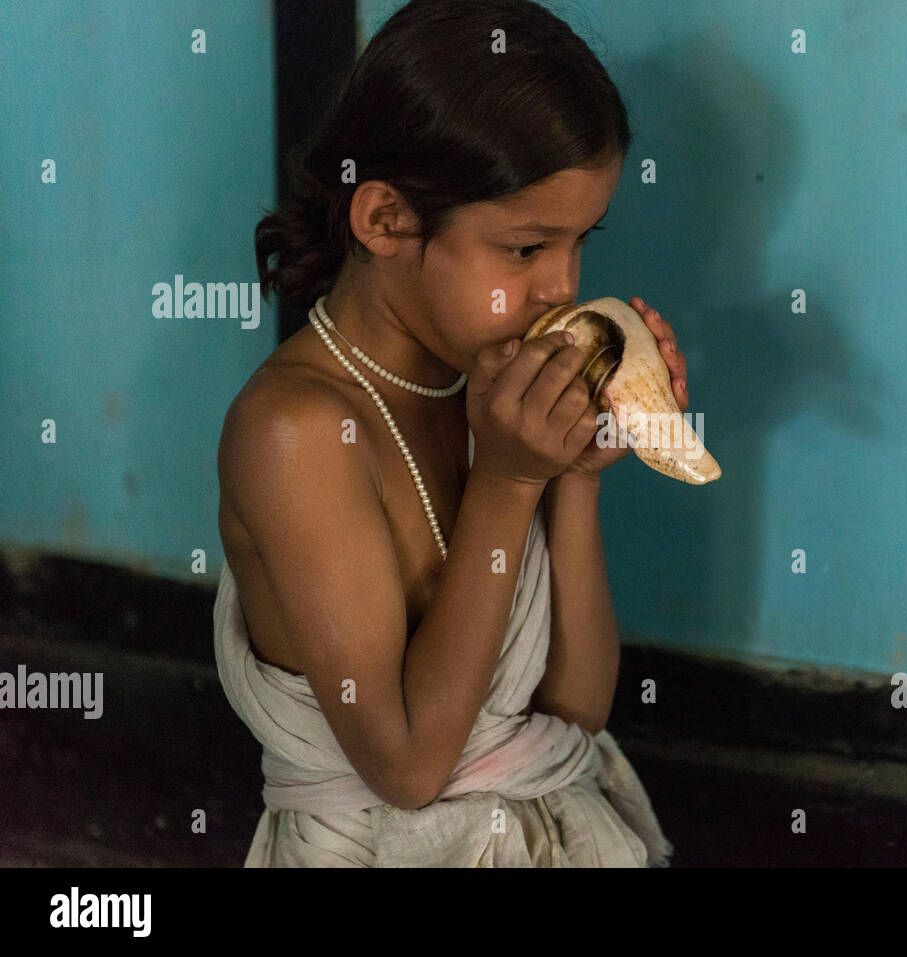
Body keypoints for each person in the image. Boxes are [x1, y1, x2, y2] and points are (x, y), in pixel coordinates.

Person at [213, 0, 686, 867]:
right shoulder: (297, 432)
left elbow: (569, 721)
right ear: (386, 219)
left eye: (581, 243)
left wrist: (573, 474)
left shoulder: (483, 390)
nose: (563, 287)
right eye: (526, 249)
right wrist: (507, 483)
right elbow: (408, 768)